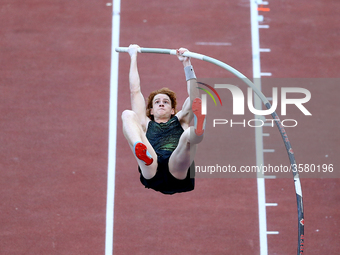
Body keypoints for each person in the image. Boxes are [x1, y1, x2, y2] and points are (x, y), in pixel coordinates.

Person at [121, 44, 206, 195]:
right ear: (151, 110)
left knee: (189, 133)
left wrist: (186, 63)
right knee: (128, 114)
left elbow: (195, 98)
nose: (161, 103)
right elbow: (135, 91)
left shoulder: (181, 120)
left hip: (177, 167)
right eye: (157, 102)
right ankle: (139, 148)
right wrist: (133, 56)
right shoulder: (146, 123)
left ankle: (198, 130)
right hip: (151, 164)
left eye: (166, 102)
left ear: (173, 110)